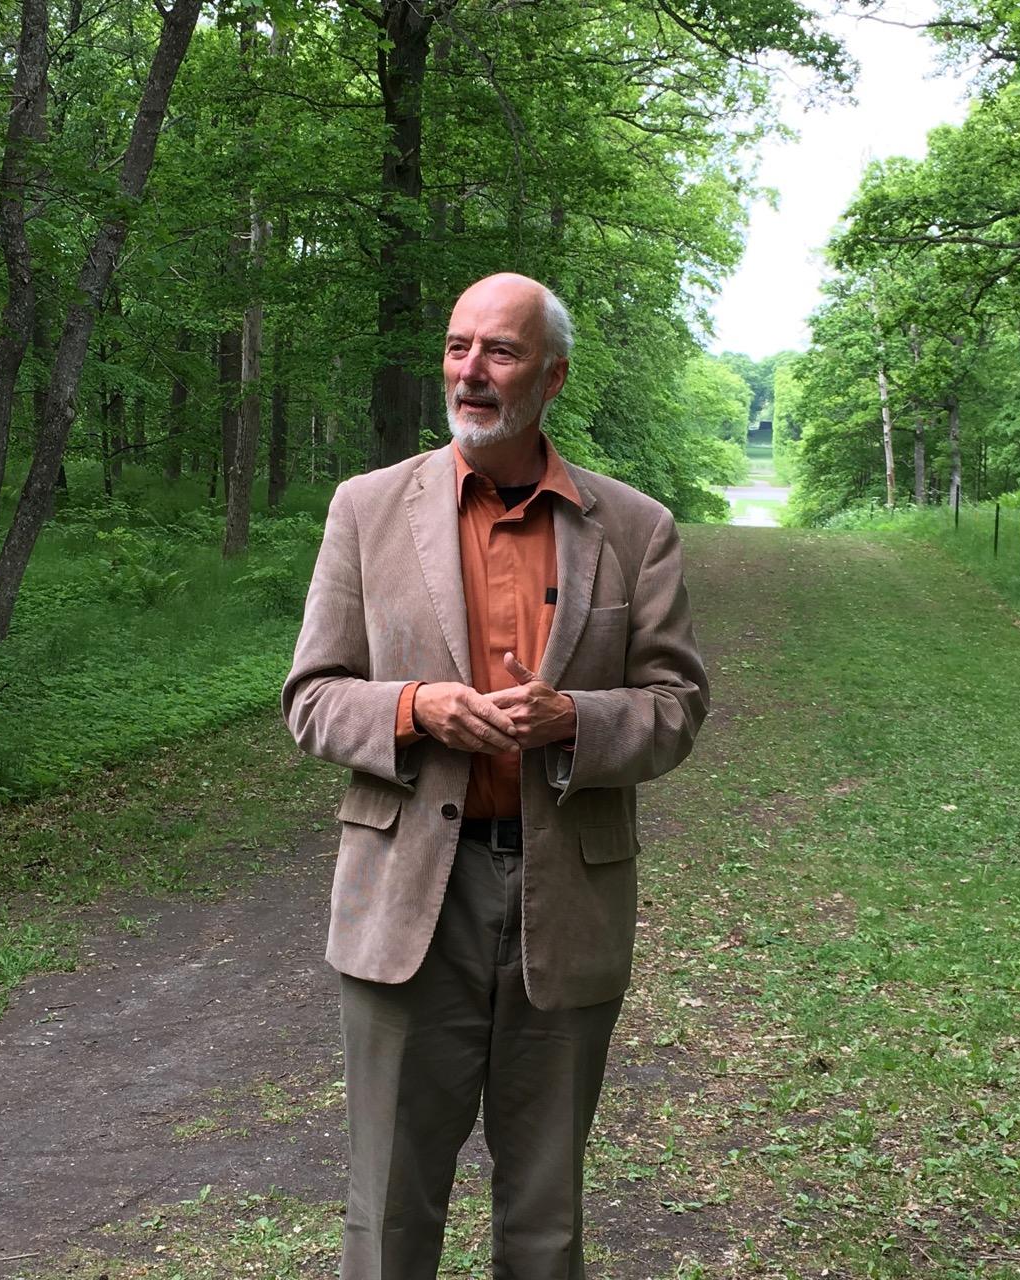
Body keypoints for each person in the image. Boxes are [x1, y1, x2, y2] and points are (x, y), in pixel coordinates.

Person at [281, 272, 708, 1279]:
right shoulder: (367, 508)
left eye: (499, 351)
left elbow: (677, 705)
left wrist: (575, 720)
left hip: (566, 898)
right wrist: (416, 708)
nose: (469, 371)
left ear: (551, 375)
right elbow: (309, 696)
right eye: (455, 345)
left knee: (544, 1213)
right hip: (407, 900)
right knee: (387, 1207)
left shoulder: (634, 527)